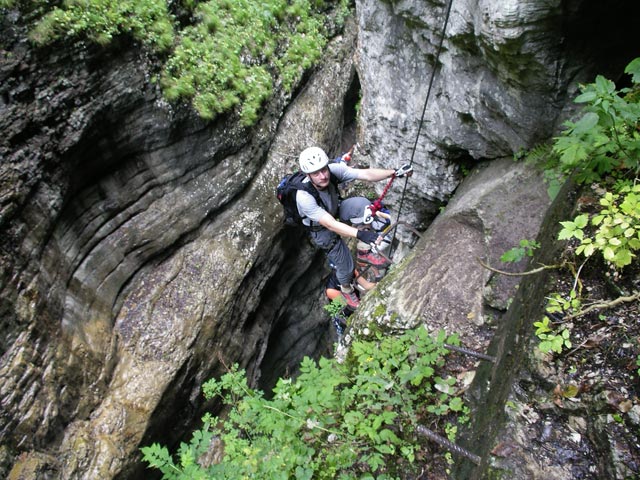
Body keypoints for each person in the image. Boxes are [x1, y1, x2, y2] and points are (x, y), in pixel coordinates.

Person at [296, 146, 412, 308]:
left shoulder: (333, 170)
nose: (323, 176)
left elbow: (365, 174)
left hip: (335, 208)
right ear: (308, 175)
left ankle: (366, 252)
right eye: (316, 173)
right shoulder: (304, 197)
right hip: (320, 229)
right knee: (346, 266)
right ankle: (347, 289)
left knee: (363, 206)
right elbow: (330, 224)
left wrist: (393, 172)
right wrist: (360, 235)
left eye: (323, 170)